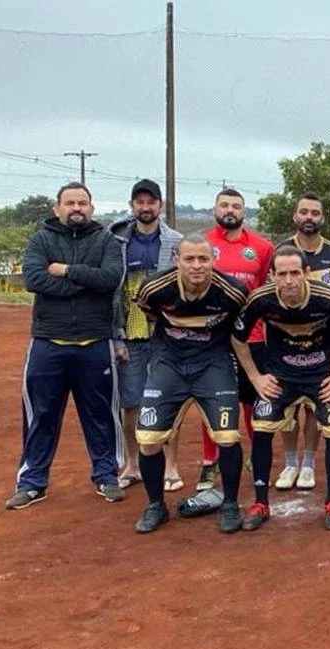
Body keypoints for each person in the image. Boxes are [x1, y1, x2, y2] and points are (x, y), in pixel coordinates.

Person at [7, 182, 125, 510]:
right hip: (48, 341)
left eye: (82, 203)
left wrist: (66, 271)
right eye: (70, 203)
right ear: (57, 208)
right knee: (41, 415)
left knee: (101, 414)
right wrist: (84, 284)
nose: (76, 208)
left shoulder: (106, 240)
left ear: (92, 208)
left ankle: (107, 476)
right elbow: (34, 279)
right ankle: (32, 482)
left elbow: (111, 279)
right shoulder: (41, 240)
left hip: (95, 342)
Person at [132, 236, 250, 534]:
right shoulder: (154, 288)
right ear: (177, 260)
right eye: (189, 259)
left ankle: (230, 504)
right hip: (169, 363)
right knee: (148, 439)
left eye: (203, 259)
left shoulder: (234, 292)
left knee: (227, 436)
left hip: (214, 363)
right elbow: (150, 314)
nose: (197, 266)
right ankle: (155, 505)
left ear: (213, 261)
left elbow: (240, 327)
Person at [232, 246, 330, 531]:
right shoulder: (260, 299)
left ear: (307, 273)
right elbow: (238, 337)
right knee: (262, 426)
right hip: (280, 377)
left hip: (322, 375)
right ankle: (260, 503)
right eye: (282, 274)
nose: (289, 281)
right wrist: (256, 377)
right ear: (272, 275)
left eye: (295, 273)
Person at [196, 188, 274, 492]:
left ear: (244, 211)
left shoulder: (262, 247)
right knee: (211, 399)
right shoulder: (203, 244)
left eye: (236, 206)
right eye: (225, 205)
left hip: (251, 337)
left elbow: (266, 290)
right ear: (215, 209)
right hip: (211, 338)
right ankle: (209, 461)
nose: (230, 210)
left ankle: (257, 456)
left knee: (253, 399)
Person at [110, 179, 183, 492]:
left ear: (160, 205)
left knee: (169, 401)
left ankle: (171, 465)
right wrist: (116, 337)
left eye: (151, 202)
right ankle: (132, 464)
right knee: (130, 404)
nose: (145, 207)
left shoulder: (175, 241)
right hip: (129, 334)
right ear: (132, 206)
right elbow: (111, 293)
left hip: (165, 336)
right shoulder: (116, 241)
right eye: (139, 202)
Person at [272, 193, 330, 492]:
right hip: (286, 341)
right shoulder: (281, 251)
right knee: (288, 410)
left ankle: (309, 464)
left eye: (315, 213)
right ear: (295, 216)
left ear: (323, 218)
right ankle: (290, 462)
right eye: (304, 212)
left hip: (322, 342)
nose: (309, 217)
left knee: (315, 407)